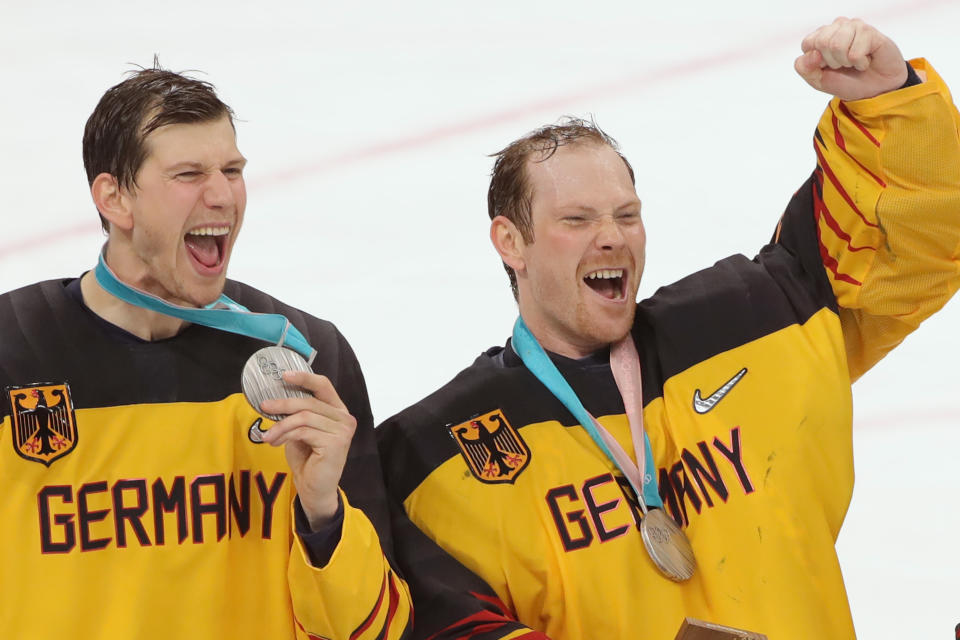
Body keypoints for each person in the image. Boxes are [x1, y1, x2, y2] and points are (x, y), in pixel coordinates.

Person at [377, 17, 960, 639]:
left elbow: (904, 247)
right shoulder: (432, 455)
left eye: (627, 215)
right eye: (577, 218)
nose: (611, 236)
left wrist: (887, 101)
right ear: (510, 241)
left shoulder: (759, 317)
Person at [0, 66, 544, 640]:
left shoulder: (301, 357)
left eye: (232, 171)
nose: (222, 195)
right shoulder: (14, 351)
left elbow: (372, 630)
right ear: (114, 198)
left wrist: (324, 516)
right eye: (189, 174)